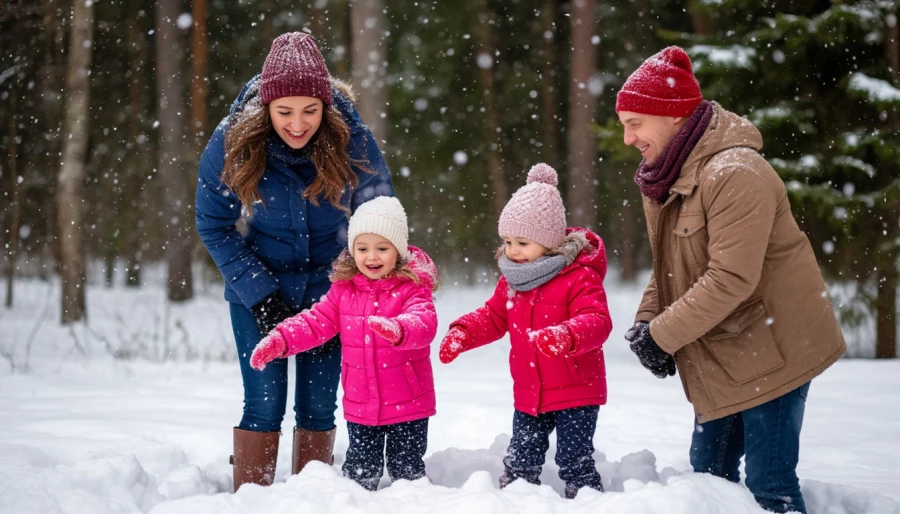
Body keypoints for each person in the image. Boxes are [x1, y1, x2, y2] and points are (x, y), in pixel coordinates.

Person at [615, 46, 846, 513]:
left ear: (673, 114)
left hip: (775, 348)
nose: (627, 138)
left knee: (770, 483)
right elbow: (671, 268)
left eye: (635, 122)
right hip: (723, 350)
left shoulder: (735, 173)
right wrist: (646, 325)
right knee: (707, 476)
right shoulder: (664, 178)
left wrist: (662, 336)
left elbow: (731, 278)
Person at [194, 32, 393, 492]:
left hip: (329, 289)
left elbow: (378, 218)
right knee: (264, 402)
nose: (298, 124)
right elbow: (214, 225)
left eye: (310, 110)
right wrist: (261, 296)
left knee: (319, 404)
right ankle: (252, 497)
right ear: (266, 107)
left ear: (326, 105)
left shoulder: (352, 139)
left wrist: (343, 292)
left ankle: (312, 496)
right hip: (255, 285)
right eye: (284, 112)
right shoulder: (233, 140)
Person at [438, 163, 612, 499]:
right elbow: (493, 316)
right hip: (531, 390)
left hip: (576, 389)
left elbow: (597, 320)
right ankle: (515, 499)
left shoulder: (579, 277)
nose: (512, 250)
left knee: (574, 459)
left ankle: (588, 500)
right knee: (521, 458)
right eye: (507, 241)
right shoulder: (512, 281)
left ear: (549, 242)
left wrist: (567, 335)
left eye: (522, 242)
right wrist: (463, 333)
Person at [250, 196, 439, 491]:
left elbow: (424, 322)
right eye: (362, 248)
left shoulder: (412, 288)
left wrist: (398, 329)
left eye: (382, 248)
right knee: (360, 474)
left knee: (408, 472)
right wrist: (280, 339)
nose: (371, 257)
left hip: (408, 404)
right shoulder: (343, 291)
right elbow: (315, 322)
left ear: (398, 250)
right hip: (361, 405)